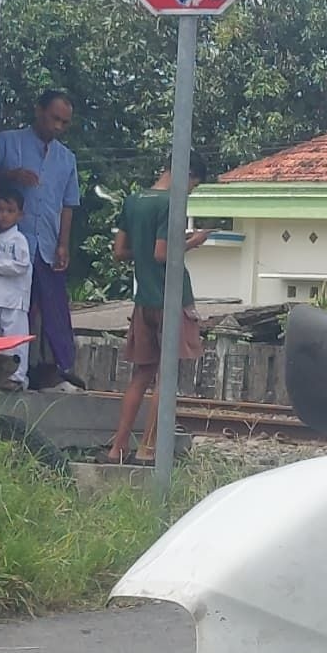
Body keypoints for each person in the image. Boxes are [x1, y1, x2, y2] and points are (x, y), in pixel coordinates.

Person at [105, 168, 206, 463]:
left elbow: (120, 252)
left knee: (141, 375)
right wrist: (194, 241)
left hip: (144, 299)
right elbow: (162, 254)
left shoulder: (133, 200)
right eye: (193, 185)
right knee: (167, 377)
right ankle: (148, 450)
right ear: (185, 174)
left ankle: (117, 448)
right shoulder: (171, 203)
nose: (189, 191)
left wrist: (146, 249)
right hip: (171, 298)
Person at [0, 91, 84, 387]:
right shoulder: (7, 142)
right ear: (38, 110)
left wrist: (63, 244)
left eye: (64, 123)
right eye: (54, 118)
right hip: (9, 245)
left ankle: (53, 369)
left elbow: (68, 204)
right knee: (8, 311)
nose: (57, 127)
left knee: (52, 310)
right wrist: (11, 176)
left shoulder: (66, 158)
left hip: (46, 246)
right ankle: (1, 370)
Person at [0, 186, 35, 385]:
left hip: (14, 299)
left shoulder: (18, 240)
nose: (4, 215)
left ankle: (17, 377)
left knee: (15, 338)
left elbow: (21, 266)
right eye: (0, 210)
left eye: (10, 211)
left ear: (20, 215)